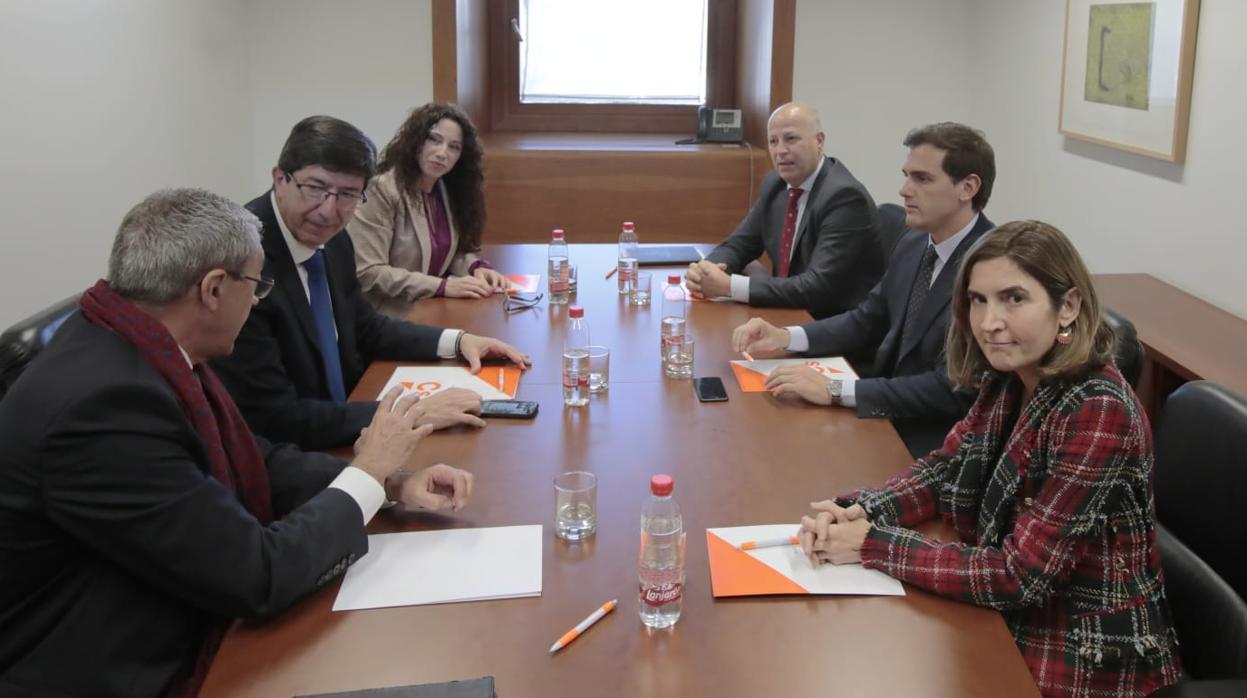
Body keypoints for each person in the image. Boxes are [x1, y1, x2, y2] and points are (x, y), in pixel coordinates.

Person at [0, 189, 477, 697]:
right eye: (256, 285)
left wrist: (390, 483)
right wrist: (368, 471)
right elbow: (257, 576)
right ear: (212, 289)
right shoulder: (104, 409)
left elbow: (250, 458)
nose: (257, 300)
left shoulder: (134, 345)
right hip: (112, 667)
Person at [797, 221, 1181, 698]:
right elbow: (946, 469)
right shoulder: (1011, 374)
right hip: (1012, 618)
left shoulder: (1098, 410)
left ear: (1068, 306)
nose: (988, 322)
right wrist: (860, 509)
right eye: (978, 300)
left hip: (1083, 652)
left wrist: (873, 543)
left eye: (1013, 299)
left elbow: (1020, 577)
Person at [212, 115, 530, 451]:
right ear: (280, 178)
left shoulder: (334, 239)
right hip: (291, 454)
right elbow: (276, 418)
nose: (328, 210)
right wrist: (415, 412)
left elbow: (364, 327)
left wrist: (458, 341)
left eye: (348, 194)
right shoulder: (242, 263)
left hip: (345, 423)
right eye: (315, 188)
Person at [732, 122, 996, 457]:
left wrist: (837, 390)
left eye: (922, 179)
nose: (904, 190)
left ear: (968, 187)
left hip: (940, 439)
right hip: (884, 408)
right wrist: (786, 337)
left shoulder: (992, 267)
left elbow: (952, 387)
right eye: (907, 176)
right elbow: (867, 319)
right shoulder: (914, 242)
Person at [685, 102, 883, 320]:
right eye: (773, 141)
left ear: (819, 141)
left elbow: (817, 287)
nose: (780, 151)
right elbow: (740, 244)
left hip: (832, 322)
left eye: (791, 139)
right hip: (789, 309)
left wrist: (730, 286)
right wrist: (706, 271)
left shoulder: (844, 197)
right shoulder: (776, 184)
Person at [349, 102, 507, 317]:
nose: (442, 153)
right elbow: (368, 271)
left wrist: (475, 268)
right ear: (415, 141)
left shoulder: (445, 189)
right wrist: (441, 286)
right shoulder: (381, 190)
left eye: (454, 147)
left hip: (429, 307)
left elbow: (443, 251)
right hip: (385, 315)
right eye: (434, 139)